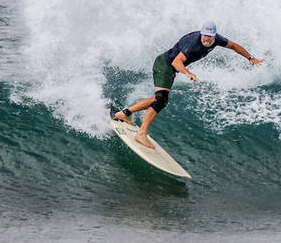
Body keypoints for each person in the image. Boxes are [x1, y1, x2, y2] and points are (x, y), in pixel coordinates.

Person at [110, 21, 262, 149]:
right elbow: (177, 62)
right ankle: (141, 134)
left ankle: (123, 114)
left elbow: (234, 46)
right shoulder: (193, 44)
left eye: (210, 36)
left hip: (168, 67)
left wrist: (250, 58)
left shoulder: (216, 39)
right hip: (165, 64)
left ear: (215, 35)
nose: (207, 39)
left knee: (158, 99)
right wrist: (187, 73)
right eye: (205, 35)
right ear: (201, 33)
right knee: (161, 100)